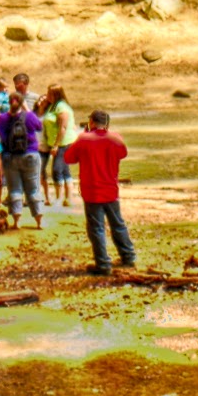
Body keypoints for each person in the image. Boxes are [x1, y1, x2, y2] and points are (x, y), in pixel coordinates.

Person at [64, 109, 136, 275]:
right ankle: (128, 256)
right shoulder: (115, 138)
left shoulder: (83, 139)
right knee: (117, 223)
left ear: (92, 122)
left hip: (92, 191)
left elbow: (68, 158)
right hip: (110, 188)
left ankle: (103, 264)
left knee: (96, 228)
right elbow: (123, 154)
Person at [0, 91, 45, 229]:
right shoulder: (28, 116)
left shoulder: (2, 119)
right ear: (22, 102)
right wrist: (27, 109)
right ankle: (39, 221)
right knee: (33, 189)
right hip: (30, 155)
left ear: (8, 103)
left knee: (15, 189)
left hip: (10, 157)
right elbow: (39, 127)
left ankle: (17, 222)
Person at [41, 85, 79, 207]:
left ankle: (60, 197)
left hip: (64, 143)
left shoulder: (61, 107)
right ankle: (67, 198)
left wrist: (56, 145)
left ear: (56, 94)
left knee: (57, 170)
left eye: (49, 93)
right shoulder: (53, 106)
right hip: (57, 142)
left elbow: (63, 127)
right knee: (64, 170)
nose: (47, 95)